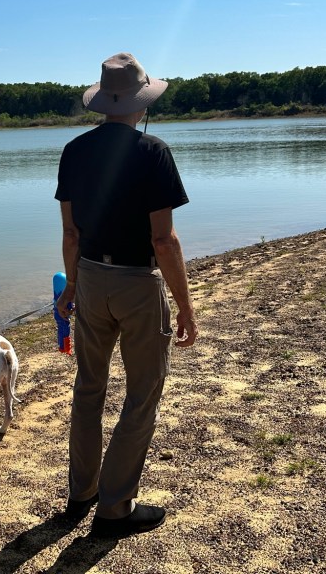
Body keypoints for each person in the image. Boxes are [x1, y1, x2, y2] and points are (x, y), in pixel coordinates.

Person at [54, 51, 197, 537]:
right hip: (138, 283)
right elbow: (164, 240)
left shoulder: (74, 151)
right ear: (141, 103)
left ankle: (82, 491)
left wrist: (70, 285)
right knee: (141, 396)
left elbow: (71, 233)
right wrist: (184, 304)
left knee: (89, 388)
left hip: (91, 278)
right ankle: (114, 508)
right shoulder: (152, 152)